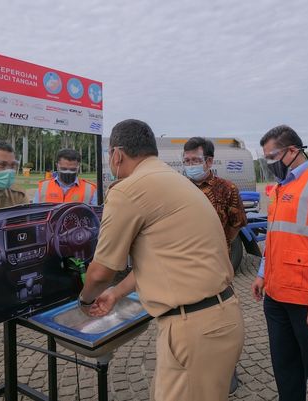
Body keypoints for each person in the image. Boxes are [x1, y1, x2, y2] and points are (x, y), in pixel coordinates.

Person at [77, 119, 244, 401]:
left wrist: (84, 301)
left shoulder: (128, 189)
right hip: (214, 319)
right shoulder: (176, 181)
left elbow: (101, 271)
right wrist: (116, 293)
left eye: (109, 155)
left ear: (117, 154)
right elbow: (160, 259)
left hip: (194, 327)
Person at [250, 125, 308, 401]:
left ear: (293, 151)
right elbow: (275, 236)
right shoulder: (280, 189)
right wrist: (261, 274)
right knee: (286, 371)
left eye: (272, 156)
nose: (269, 163)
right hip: (277, 297)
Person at [182, 136, 247, 394]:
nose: (190, 165)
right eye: (186, 161)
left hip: (216, 266)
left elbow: (236, 224)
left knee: (220, 319)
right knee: (190, 322)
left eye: (195, 160)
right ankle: (193, 372)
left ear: (209, 161)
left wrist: (220, 246)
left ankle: (226, 373)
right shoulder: (179, 187)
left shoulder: (226, 189)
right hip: (185, 266)